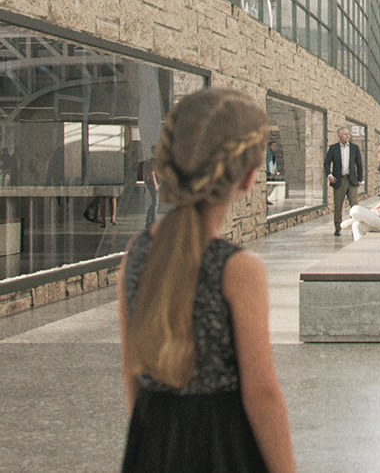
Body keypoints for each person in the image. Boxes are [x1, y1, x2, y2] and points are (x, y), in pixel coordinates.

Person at [118, 88, 295, 472]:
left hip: (151, 441)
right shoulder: (238, 269)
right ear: (248, 177)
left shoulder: (136, 254)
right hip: (220, 447)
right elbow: (261, 394)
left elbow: (132, 369)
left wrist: (152, 440)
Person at [323, 126, 363, 236]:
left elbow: (359, 164)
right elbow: (326, 163)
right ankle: (337, 227)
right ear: (339, 136)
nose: (347, 136)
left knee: (354, 206)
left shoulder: (354, 148)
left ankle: (354, 227)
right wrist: (329, 175)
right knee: (338, 205)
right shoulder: (333, 148)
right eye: (345, 134)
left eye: (348, 134)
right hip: (339, 180)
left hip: (352, 181)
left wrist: (360, 179)